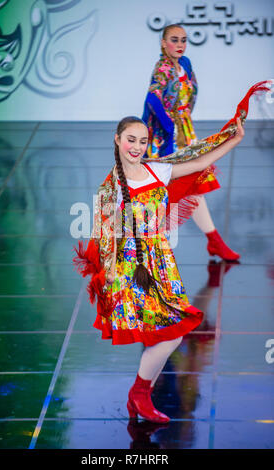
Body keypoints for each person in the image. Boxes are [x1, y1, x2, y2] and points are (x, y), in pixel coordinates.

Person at [72, 80, 269, 423]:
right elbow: (104, 239)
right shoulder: (112, 188)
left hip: (162, 264)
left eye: (142, 141)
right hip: (135, 272)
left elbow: (196, 162)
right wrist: (117, 281)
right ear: (117, 140)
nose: (136, 146)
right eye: (130, 140)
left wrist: (234, 140)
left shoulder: (156, 169)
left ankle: (139, 393)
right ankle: (140, 394)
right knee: (171, 334)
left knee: (171, 335)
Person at [142, 23, 240, 261]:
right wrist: (169, 126)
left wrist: (184, 121)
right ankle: (145, 247)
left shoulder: (184, 64)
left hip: (184, 133)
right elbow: (152, 99)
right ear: (163, 43)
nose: (180, 45)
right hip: (166, 138)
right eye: (174, 40)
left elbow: (191, 92)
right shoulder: (162, 68)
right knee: (161, 193)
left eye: (183, 40)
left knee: (192, 186)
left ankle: (214, 240)